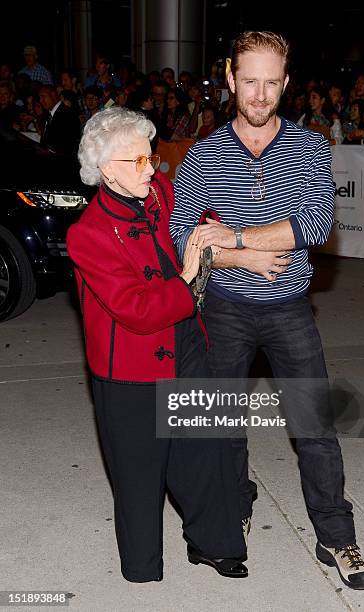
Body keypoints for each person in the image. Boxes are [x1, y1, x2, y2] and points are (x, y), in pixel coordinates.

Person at [170, 30, 364, 591]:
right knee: (223, 425)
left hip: (290, 310)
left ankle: (336, 536)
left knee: (316, 426)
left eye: (271, 82)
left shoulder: (309, 147)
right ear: (231, 80)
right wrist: (254, 253)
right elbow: (181, 235)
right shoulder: (204, 153)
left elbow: (313, 226)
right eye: (249, 81)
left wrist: (232, 238)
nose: (260, 94)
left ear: (285, 84)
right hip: (225, 310)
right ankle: (233, 505)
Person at [66, 106, 248, 583]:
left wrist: (226, 233)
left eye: (151, 157)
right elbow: (137, 311)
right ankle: (144, 564)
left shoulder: (161, 193)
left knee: (203, 449)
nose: (152, 167)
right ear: (107, 170)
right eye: (138, 161)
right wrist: (186, 279)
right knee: (139, 470)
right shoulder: (87, 234)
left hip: (185, 340)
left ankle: (214, 543)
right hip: (129, 364)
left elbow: (203, 208)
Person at [39, 85, 81, 154]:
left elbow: (69, 145)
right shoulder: (46, 115)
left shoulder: (68, 114)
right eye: (40, 98)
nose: (41, 100)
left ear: (53, 95)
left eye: (43, 96)